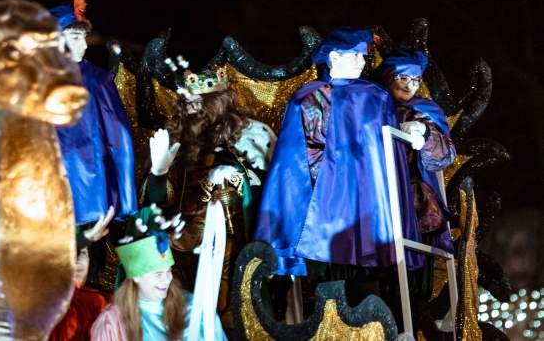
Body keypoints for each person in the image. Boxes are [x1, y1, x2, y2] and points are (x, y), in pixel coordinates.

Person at [255, 27, 424, 288]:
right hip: (323, 206)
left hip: (367, 201)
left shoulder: (376, 96)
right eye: (354, 55)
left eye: (362, 56)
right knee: (330, 283)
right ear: (333, 57)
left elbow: (386, 154)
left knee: (368, 285)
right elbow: (297, 154)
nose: (361, 62)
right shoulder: (310, 96)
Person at [140, 67, 275, 328]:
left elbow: (268, 194)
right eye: (186, 103)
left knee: (230, 315)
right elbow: (154, 202)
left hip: (228, 246)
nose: (190, 110)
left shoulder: (254, 135)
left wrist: (235, 175)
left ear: (218, 104)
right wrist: (158, 174)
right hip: (177, 248)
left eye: (198, 103)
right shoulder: (173, 139)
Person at [49, 0, 137, 226]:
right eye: (75, 37)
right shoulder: (36, 85)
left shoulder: (98, 80)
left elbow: (119, 140)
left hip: (92, 197)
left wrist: (121, 193)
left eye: (83, 37)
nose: (84, 44)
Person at [90, 207, 227, 341]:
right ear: (136, 276)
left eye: (169, 271)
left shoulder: (193, 307)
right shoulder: (112, 321)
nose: (167, 279)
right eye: (158, 274)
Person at [371, 48, 456, 255]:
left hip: (416, 202)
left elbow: (447, 152)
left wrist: (425, 133)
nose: (411, 85)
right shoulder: (370, 105)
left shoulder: (424, 110)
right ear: (388, 77)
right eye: (404, 78)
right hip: (376, 194)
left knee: (417, 270)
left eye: (416, 80)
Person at [49, 209, 114, 341]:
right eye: (70, 254)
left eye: (83, 253)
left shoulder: (103, 303)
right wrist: (82, 239)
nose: (77, 260)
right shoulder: (41, 306)